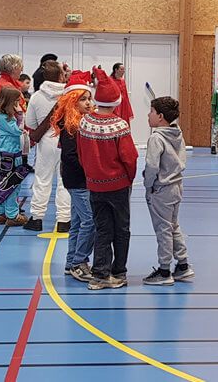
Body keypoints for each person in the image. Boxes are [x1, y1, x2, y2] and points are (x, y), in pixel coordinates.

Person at [78, 67, 138, 290]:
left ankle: (100, 273)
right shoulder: (119, 125)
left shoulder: (85, 122)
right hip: (118, 185)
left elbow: (82, 154)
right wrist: (129, 179)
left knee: (102, 228)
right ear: (116, 101)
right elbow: (129, 158)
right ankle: (118, 271)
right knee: (121, 229)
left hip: (95, 185)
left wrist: (91, 175)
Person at [47, 74, 97, 282]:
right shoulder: (72, 126)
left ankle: (71, 262)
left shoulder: (81, 123)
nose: (88, 103)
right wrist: (91, 168)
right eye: (83, 99)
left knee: (77, 222)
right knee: (90, 221)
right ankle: (79, 262)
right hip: (78, 180)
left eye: (89, 98)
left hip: (78, 179)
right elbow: (70, 156)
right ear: (72, 102)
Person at [141, 97, 192, 286]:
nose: (148, 115)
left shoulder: (156, 138)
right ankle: (183, 265)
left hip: (162, 190)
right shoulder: (177, 133)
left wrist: (148, 185)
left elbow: (152, 166)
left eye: (151, 111)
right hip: (176, 187)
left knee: (163, 229)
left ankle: (164, 271)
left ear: (160, 116)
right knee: (173, 226)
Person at [23, 61, 72, 232]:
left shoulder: (36, 96)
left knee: (42, 180)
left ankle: (36, 218)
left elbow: (30, 123)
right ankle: (64, 221)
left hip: (45, 142)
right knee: (64, 181)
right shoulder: (69, 95)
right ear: (60, 75)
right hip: (66, 141)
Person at [0, 86, 29, 227]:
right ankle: (12, 215)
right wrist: (20, 115)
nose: (18, 104)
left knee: (3, 185)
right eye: (16, 101)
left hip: (3, 156)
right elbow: (17, 131)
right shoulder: (5, 119)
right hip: (11, 156)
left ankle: (2, 213)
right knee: (12, 186)